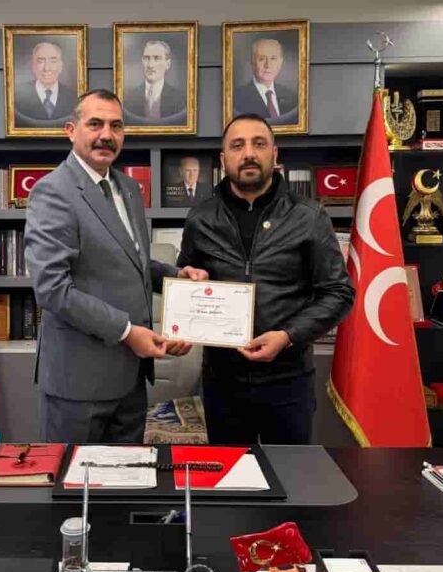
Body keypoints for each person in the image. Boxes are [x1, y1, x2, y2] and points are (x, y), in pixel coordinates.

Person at [25, 89, 207, 443]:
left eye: (116, 126)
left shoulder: (128, 188)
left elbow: (130, 261)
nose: (106, 135)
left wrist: (176, 278)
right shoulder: (53, 192)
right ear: (71, 131)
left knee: (128, 475)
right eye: (95, 124)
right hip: (78, 386)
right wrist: (126, 332)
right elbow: (52, 289)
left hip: (131, 380)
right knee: (73, 477)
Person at [177, 113, 354, 444]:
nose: (248, 153)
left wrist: (287, 336)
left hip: (289, 382)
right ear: (223, 159)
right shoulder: (200, 219)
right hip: (222, 384)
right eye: (237, 145)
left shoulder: (309, 216)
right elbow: (187, 281)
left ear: (275, 154)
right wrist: (184, 313)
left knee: (290, 473)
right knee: (230, 474)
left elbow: (338, 293)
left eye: (259, 144)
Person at [232, 37, 298, 124]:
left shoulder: (292, 96)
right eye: (262, 59)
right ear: (252, 62)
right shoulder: (237, 98)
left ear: (280, 62)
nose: (268, 65)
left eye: (273, 58)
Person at [13, 41, 79, 122]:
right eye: (41, 61)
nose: (47, 68)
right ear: (33, 66)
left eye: (53, 61)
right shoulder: (17, 97)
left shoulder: (74, 97)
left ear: (60, 66)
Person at [124, 40, 186, 120]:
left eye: (157, 58)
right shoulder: (128, 98)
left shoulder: (181, 99)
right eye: (146, 58)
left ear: (168, 64)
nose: (150, 65)